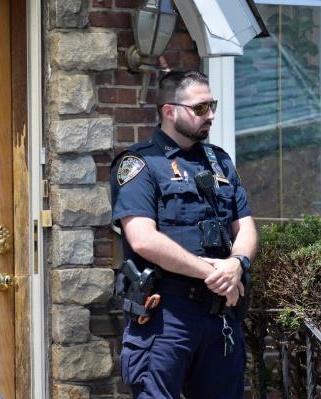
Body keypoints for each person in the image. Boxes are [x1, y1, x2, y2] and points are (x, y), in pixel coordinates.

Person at [110, 70, 259, 398]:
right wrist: (215, 274)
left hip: (219, 314)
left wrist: (236, 265)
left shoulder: (220, 161)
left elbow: (245, 226)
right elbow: (142, 239)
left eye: (213, 105)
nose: (212, 115)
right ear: (169, 110)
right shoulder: (139, 163)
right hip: (167, 315)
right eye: (201, 108)